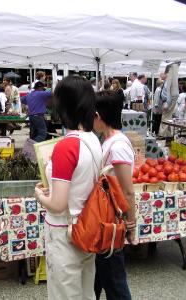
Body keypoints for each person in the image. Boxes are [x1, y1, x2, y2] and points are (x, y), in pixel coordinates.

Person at [34, 75, 102, 300]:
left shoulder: (66, 146)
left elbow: (57, 204)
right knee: (85, 292)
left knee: (64, 293)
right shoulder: (93, 139)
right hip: (87, 227)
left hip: (65, 232)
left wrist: (39, 196)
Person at [93, 90, 137, 300]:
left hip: (113, 223)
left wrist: (131, 223)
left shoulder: (117, 146)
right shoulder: (110, 141)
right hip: (106, 221)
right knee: (101, 277)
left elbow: (127, 190)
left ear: (99, 116)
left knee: (115, 285)